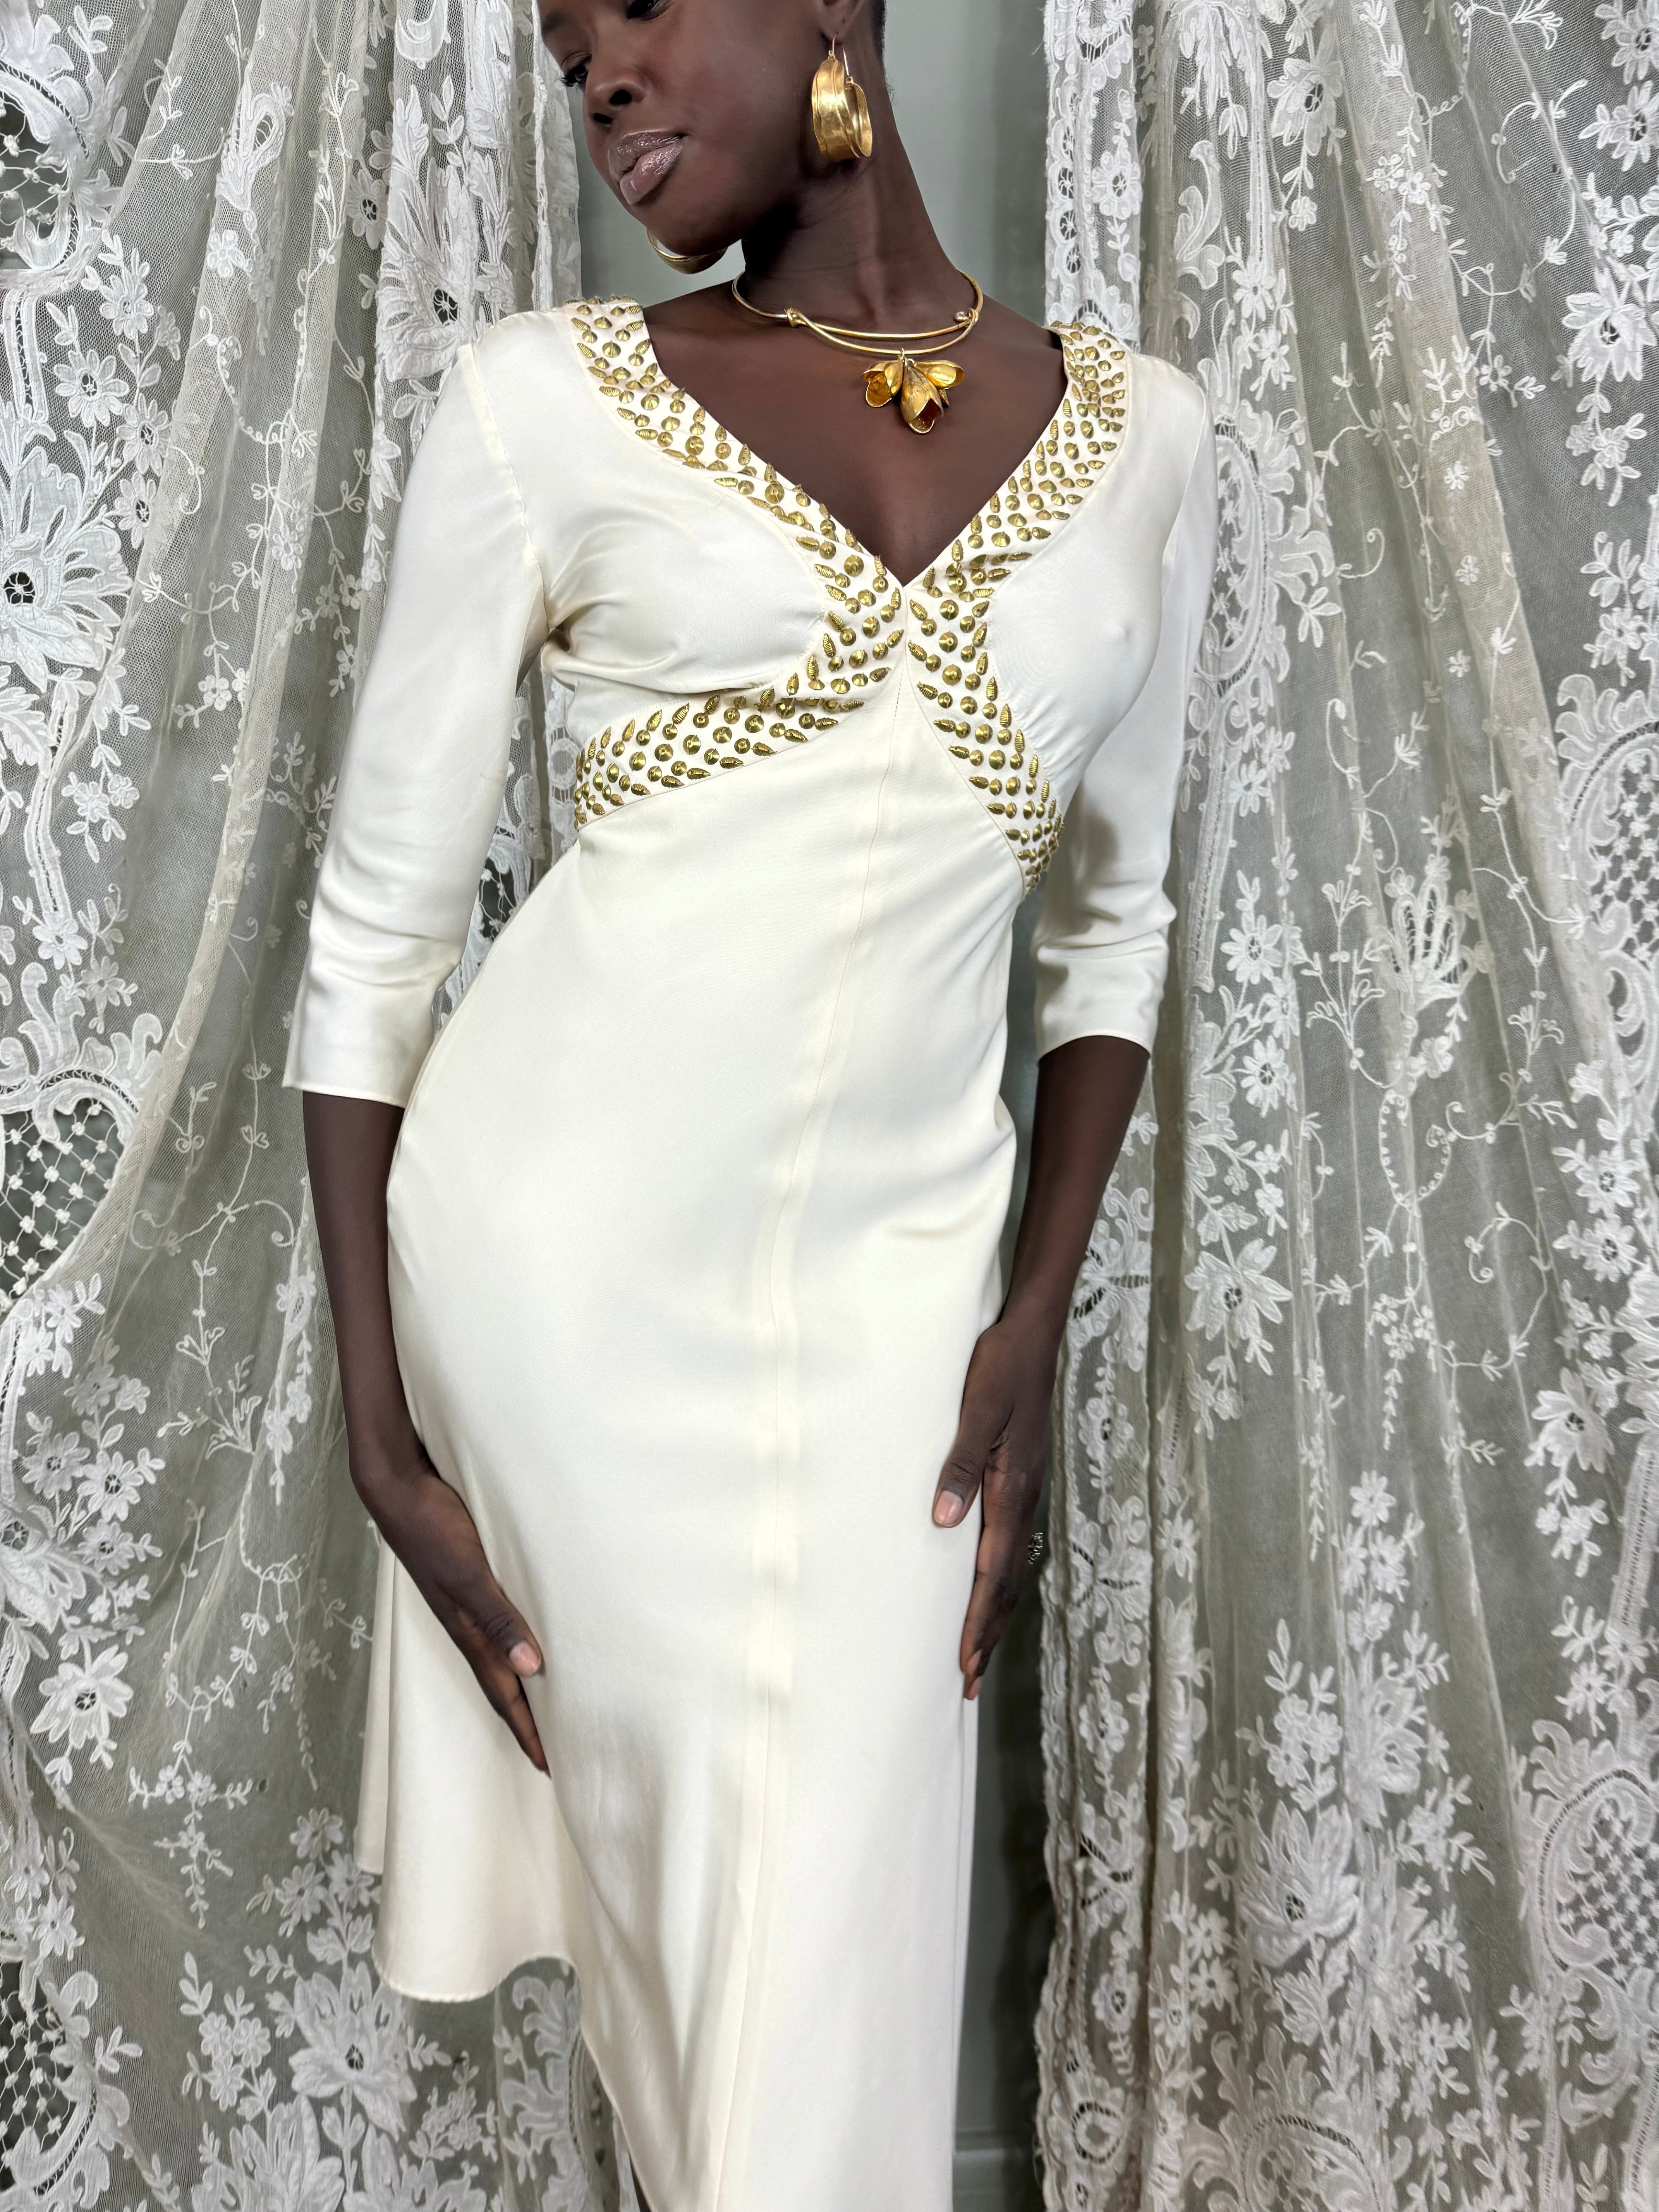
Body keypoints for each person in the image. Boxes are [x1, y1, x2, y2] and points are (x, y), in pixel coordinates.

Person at [283, 0, 1218, 2204]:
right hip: (563, 1280)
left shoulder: (1150, 437)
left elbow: (1116, 932)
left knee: (821, 1990)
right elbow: (375, 935)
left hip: (904, 1301)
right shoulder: (537, 404)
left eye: (635, 8)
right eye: (563, 55)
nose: (598, 76)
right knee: (730, 1982)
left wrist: (1028, 1324)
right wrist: (378, 1428)